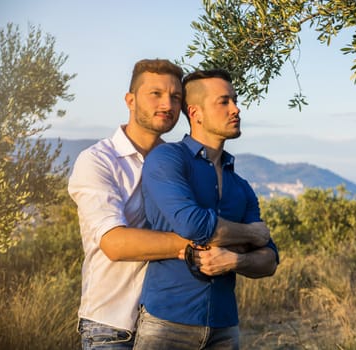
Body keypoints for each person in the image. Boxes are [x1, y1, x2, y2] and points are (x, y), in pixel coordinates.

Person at [68, 60, 270, 350]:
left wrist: (230, 248)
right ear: (130, 100)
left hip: (171, 318)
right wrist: (214, 243)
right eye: (156, 94)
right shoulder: (98, 161)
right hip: (114, 324)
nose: (167, 104)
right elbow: (114, 243)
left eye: (176, 97)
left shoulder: (178, 161)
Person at [133, 69, 279, 350]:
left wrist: (235, 262)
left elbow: (269, 259)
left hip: (225, 328)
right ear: (195, 112)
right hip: (167, 325)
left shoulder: (240, 185)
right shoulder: (168, 158)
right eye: (224, 101)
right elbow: (193, 225)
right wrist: (250, 233)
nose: (236, 109)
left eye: (235, 100)